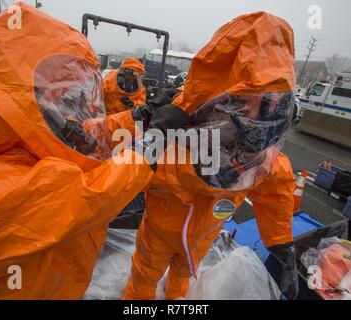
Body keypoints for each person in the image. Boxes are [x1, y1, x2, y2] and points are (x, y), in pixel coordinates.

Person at [0, 3, 188, 299]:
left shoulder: (19, 132)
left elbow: (83, 135)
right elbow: (90, 194)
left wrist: (141, 115)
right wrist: (153, 142)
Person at [123, 12, 299, 300]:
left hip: (200, 240)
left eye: (267, 104)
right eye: (243, 105)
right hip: (159, 229)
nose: (252, 119)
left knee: (181, 277)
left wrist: (281, 244)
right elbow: (126, 171)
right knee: (144, 276)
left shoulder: (264, 156)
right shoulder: (171, 128)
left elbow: (277, 188)